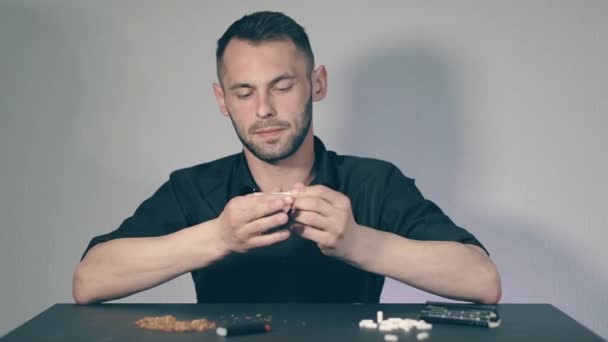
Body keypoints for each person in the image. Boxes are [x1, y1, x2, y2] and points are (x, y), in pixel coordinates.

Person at [73, 11, 501, 305]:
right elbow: (89, 280)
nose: (263, 110)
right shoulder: (193, 188)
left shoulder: (375, 182)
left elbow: (482, 280)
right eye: (244, 92)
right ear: (222, 100)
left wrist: (358, 243)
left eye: (281, 87)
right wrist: (219, 238)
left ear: (318, 84)